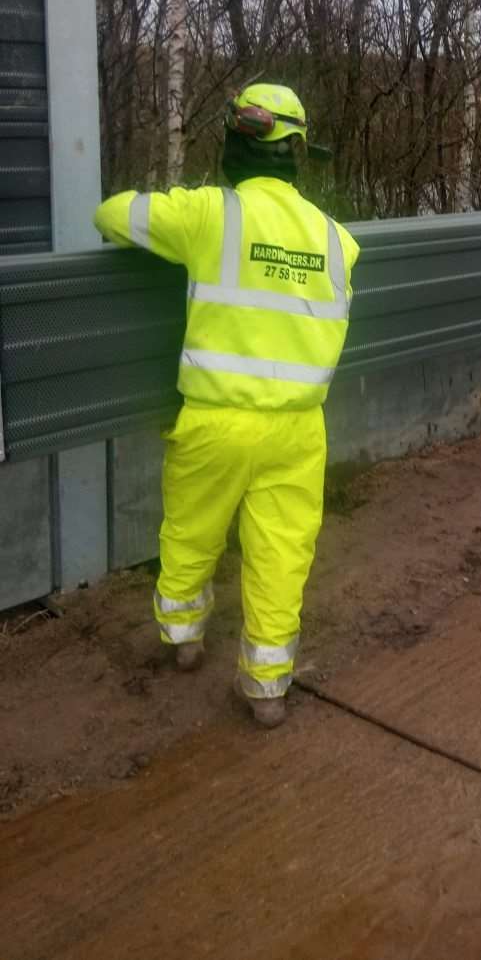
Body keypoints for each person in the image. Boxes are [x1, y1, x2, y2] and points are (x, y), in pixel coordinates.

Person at [93, 83, 360, 729]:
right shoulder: (337, 240)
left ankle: (183, 638)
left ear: (236, 145)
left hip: (216, 419)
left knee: (192, 530)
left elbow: (112, 213)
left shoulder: (211, 215)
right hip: (299, 428)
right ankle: (267, 686)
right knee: (282, 552)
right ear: (299, 152)